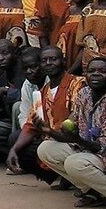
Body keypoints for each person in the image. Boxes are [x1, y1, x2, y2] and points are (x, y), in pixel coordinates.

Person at [36, 57, 106, 209]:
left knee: (74, 163)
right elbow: (70, 129)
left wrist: (75, 138)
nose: (96, 75)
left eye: (102, 71)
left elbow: (105, 147)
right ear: (85, 75)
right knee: (45, 149)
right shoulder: (84, 95)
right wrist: (49, 131)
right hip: (91, 151)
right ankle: (93, 192)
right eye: (91, 71)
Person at [7, 45, 81, 183]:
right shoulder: (43, 92)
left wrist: (49, 133)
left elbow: (75, 124)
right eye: (44, 60)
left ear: (64, 61)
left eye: (53, 59)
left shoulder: (77, 84)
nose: (48, 63)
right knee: (18, 144)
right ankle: (64, 179)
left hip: (76, 142)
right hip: (53, 140)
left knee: (44, 148)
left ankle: (78, 183)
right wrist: (13, 150)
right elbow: (30, 124)